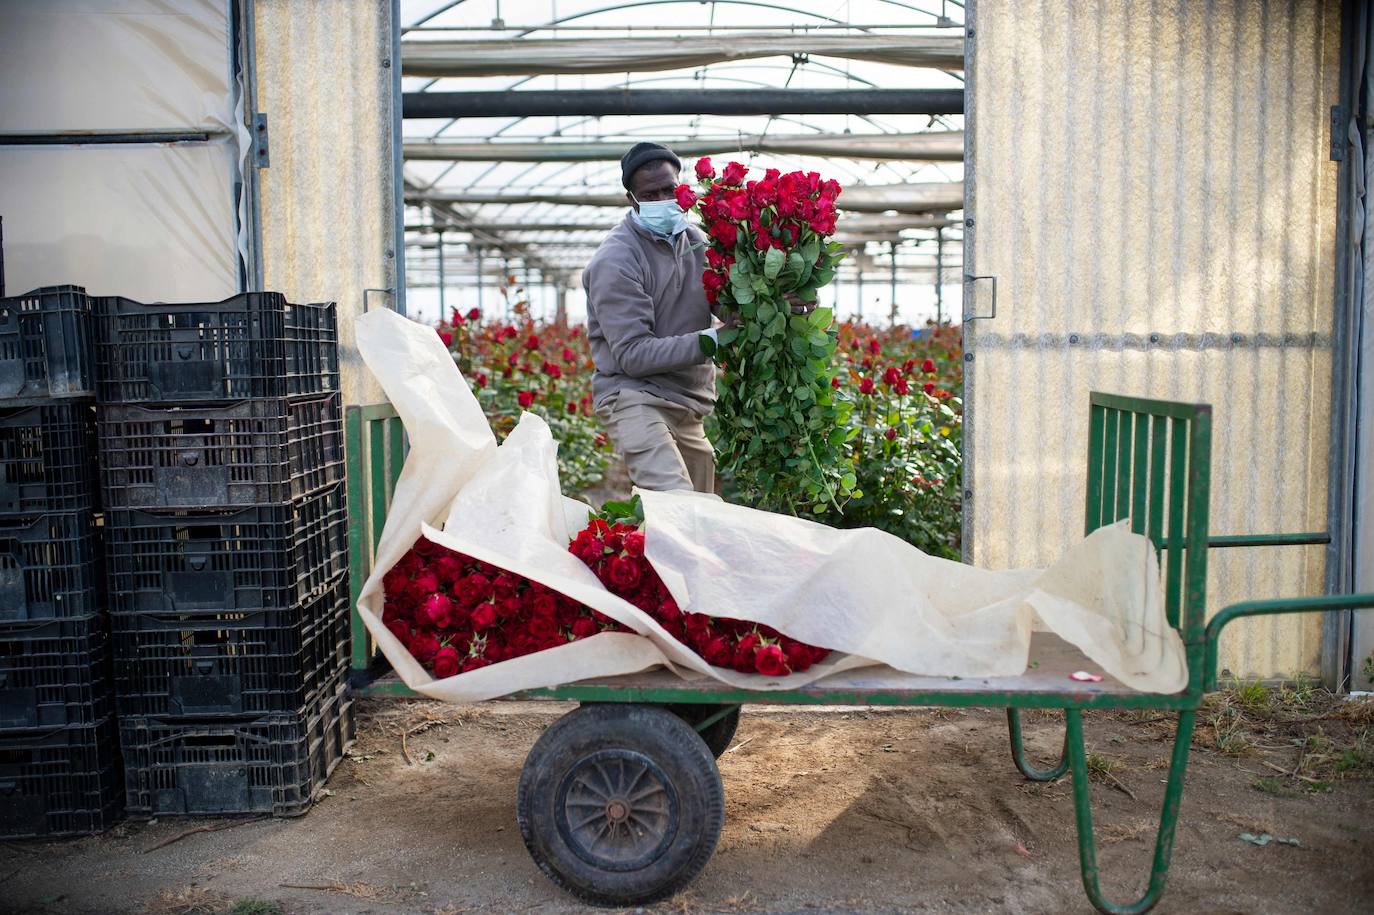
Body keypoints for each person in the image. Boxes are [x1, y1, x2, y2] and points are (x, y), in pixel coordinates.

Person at [582, 142, 721, 494]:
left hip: (689, 402)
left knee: (702, 511)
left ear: (683, 188)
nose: (663, 200)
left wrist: (783, 300)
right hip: (635, 397)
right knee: (676, 505)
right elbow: (633, 354)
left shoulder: (697, 242)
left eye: (669, 189)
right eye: (650, 193)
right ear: (633, 199)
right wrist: (715, 341)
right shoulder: (616, 259)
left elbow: (730, 307)